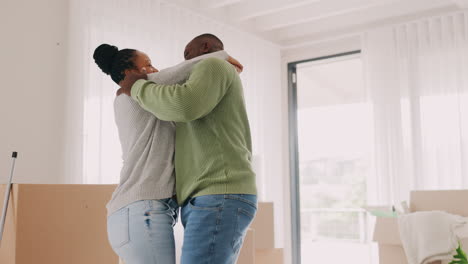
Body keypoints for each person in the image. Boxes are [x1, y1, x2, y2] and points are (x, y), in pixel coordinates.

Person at [93, 42, 242, 264]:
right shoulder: (132, 92)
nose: (155, 70)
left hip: (134, 213)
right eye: (148, 65)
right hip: (141, 210)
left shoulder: (144, 101)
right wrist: (221, 57)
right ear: (128, 73)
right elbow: (180, 72)